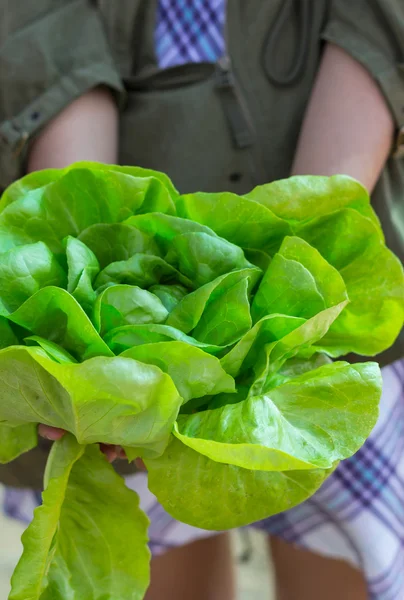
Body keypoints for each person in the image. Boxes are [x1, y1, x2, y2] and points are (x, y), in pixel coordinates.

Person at [1, 1, 404, 599]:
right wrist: (85, 363)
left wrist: (287, 291)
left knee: (331, 560)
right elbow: (47, 28)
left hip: (316, 281)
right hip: (130, 214)